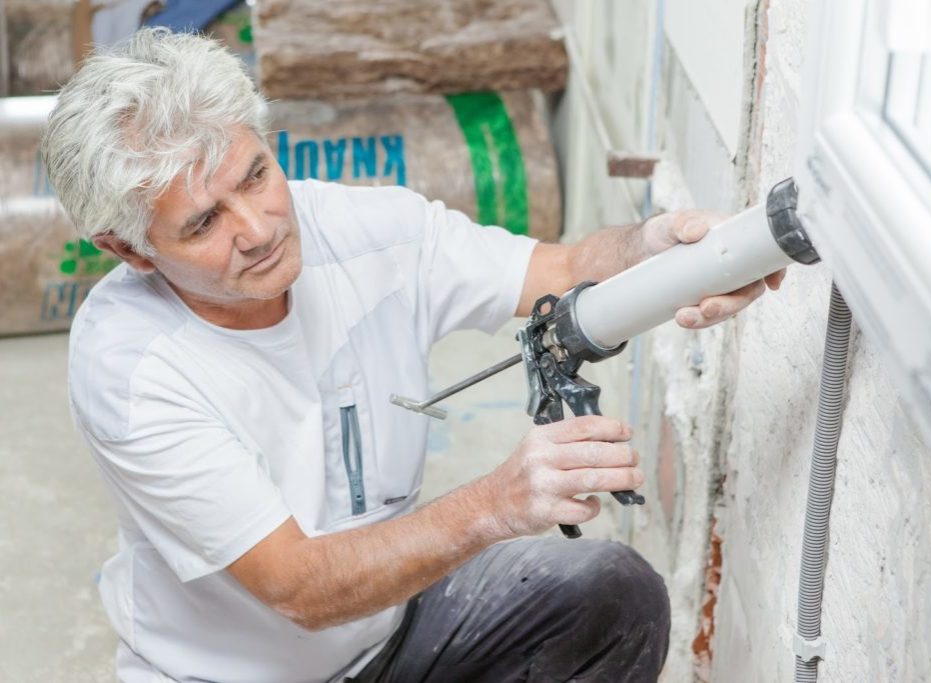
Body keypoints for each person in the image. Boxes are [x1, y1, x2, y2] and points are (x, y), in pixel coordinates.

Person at [42, 28, 782, 683]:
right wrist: (496, 502)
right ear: (130, 250)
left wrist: (657, 254)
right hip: (232, 671)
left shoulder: (369, 231)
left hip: (392, 633)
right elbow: (301, 588)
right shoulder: (130, 368)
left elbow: (561, 271)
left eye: (256, 175)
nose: (258, 228)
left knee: (613, 594)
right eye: (203, 221)